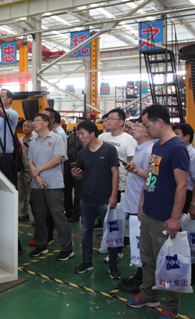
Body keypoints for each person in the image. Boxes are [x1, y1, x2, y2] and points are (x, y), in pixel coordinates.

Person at [125, 104, 189, 319]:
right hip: (150, 212)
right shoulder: (157, 146)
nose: (145, 129)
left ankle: (170, 305)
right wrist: (142, 203)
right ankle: (148, 294)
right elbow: (152, 176)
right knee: (148, 258)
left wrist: (175, 217)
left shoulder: (177, 148)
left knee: (168, 263)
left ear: (159, 122)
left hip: (164, 216)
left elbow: (182, 185)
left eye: (146, 125)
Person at [71, 120, 121, 279]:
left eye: (82, 134)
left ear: (92, 134)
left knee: (111, 232)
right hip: (87, 198)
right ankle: (87, 261)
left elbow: (115, 173)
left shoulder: (109, 150)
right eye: (78, 134)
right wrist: (77, 175)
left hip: (105, 199)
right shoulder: (82, 153)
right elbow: (83, 175)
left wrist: (113, 195)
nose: (80, 137)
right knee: (86, 231)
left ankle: (113, 264)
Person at [28, 114, 74, 260]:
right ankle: (41, 245)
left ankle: (67, 248)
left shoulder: (57, 139)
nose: (34, 123)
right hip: (37, 184)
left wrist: (38, 170)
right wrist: (36, 176)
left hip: (53, 184)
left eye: (37, 120)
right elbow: (30, 161)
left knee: (58, 216)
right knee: (39, 217)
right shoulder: (33, 141)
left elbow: (57, 159)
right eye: (34, 120)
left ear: (46, 123)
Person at [117, 117, 155, 293]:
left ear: (147, 131)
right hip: (134, 204)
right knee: (138, 244)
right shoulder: (139, 149)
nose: (132, 129)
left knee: (143, 246)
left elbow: (152, 177)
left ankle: (143, 280)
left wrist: (136, 170)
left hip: (141, 205)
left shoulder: (150, 150)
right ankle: (139, 276)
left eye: (137, 126)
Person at [98, 108, 136, 258]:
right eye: (107, 118)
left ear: (121, 122)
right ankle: (107, 244)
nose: (108, 121)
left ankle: (117, 250)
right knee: (105, 216)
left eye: (112, 118)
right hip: (103, 183)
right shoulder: (102, 137)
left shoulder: (128, 140)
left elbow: (132, 163)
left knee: (117, 220)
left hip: (120, 185)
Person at [172, 122, 195, 284]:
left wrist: (194, 205)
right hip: (178, 195)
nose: (173, 137)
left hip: (188, 197)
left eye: (177, 134)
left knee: (188, 237)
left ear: (187, 137)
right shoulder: (176, 152)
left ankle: (193, 274)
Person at [64, 117, 85, 222]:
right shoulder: (70, 137)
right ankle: (68, 211)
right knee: (66, 191)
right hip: (68, 167)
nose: (78, 124)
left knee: (78, 193)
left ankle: (76, 214)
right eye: (77, 122)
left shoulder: (84, 138)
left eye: (81, 123)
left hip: (79, 168)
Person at [18, 120, 34, 222]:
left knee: (31, 195)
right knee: (21, 194)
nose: (25, 128)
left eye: (28, 126)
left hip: (30, 171)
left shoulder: (35, 141)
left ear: (32, 128)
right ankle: (23, 214)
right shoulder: (20, 140)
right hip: (21, 170)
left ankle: (36, 217)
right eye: (24, 126)